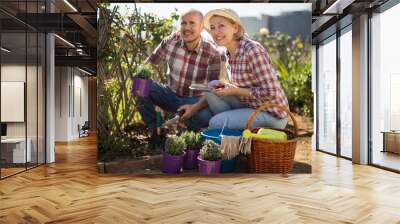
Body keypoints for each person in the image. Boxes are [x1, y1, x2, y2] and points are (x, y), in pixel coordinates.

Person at [179, 8, 289, 130]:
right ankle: (229, 127)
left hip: (271, 114)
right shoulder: (226, 53)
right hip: (250, 106)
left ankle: (223, 127)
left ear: (235, 28)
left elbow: (270, 92)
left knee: (215, 123)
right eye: (213, 27)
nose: (216, 32)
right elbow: (228, 88)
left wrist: (235, 91)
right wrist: (193, 108)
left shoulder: (253, 51)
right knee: (212, 86)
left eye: (221, 26)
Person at [137, 9, 223, 136]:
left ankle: (190, 132)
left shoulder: (212, 53)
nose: (187, 27)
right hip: (169, 94)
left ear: (202, 28)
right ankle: (156, 130)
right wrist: (140, 79)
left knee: (206, 116)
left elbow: (212, 90)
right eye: (183, 23)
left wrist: (194, 108)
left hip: (194, 100)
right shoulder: (170, 42)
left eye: (192, 23)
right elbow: (149, 63)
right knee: (139, 84)